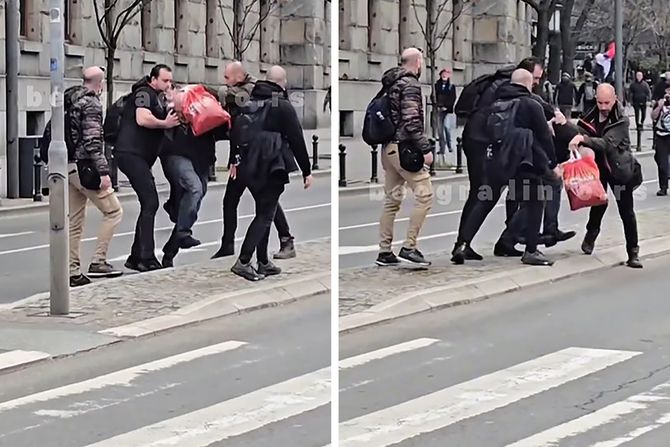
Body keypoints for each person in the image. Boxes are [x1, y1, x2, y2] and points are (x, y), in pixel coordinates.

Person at [452, 56, 568, 261]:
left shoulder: (498, 93)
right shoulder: (524, 98)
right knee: (534, 197)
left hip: (491, 151)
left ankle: (463, 244)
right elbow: (541, 129)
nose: (537, 83)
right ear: (525, 77)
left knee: (484, 195)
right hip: (516, 154)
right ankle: (529, 249)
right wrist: (553, 162)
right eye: (535, 78)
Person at [230, 66, 313, 281]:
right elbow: (296, 138)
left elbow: (235, 132)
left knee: (264, 209)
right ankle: (244, 261)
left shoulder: (248, 101)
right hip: (271, 163)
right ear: (282, 82)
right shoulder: (282, 105)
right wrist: (307, 170)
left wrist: (233, 160)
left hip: (248, 164)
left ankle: (263, 262)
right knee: (265, 214)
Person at [212, 62, 296, 260]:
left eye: (227, 77)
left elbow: (244, 124)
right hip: (241, 156)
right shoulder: (241, 93)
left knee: (266, 203)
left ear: (239, 77)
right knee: (231, 200)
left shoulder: (251, 93)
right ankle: (228, 244)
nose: (224, 82)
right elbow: (237, 130)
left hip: (256, 158)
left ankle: (285, 240)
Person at [114, 64, 180, 272]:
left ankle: (136, 256)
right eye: (165, 80)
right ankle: (146, 257)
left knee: (148, 203)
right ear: (153, 79)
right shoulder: (143, 93)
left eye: (170, 81)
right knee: (150, 202)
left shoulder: (156, 96)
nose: (168, 84)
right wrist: (165, 123)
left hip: (139, 157)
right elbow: (142, 119)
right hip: (130, 154)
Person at [569, 84, 642, 269]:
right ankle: (591, 234)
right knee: (598, 203)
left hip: (619, 171)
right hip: (598, 168)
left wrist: (584, 140)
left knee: (626, 212)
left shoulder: (621, 120)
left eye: (606, 102)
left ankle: (633, 252)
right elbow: (581, 129)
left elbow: (606, 144)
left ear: (615, 99)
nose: (603, 106)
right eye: (600, 102)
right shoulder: (591, 113)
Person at [376, 47, 434, 267]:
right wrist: (426, 149)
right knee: (425, 196)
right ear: (418, 62)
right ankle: (409, 246)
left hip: (388, 149)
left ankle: (384, 251)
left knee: (391, 201)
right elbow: (411, 121)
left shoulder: (390, 82)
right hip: (404, 149)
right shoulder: (410, 84)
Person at [160, 85, 228, 267]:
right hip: (177, 155)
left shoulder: (206, 111)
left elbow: (222, 130)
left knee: (191, 202)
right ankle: (183, 233)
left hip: (202, 160)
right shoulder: (171, 110)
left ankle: (170, 251)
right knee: (194, 189)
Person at [67, 66, 124, 286]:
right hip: (85, 167)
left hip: (68, 166)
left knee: (74, 222)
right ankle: (99, 261)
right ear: (100, 83)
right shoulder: (91, 103)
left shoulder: (72, 97)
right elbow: (92, 142)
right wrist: (103, 171)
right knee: (114, 211)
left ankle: (72, 271)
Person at [651, 86, 670, 196]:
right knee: (661, 163)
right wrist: (659, 107)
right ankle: (663, 187)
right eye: (667, 92)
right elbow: (653, 117)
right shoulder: (660, 103)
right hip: (661, 135)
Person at [435, 67, 457, 154]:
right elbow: (433, 96)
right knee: (440, 130)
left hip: (447, 111)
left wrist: (447, 107)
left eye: (446, 75)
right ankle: (442, 148)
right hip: (439, 110)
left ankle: (449, 145)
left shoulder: (451, 86)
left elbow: (452, 98)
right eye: (443, 75)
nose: (444, 76)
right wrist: (437, 105)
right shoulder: (437, 85)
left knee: (446, 128)